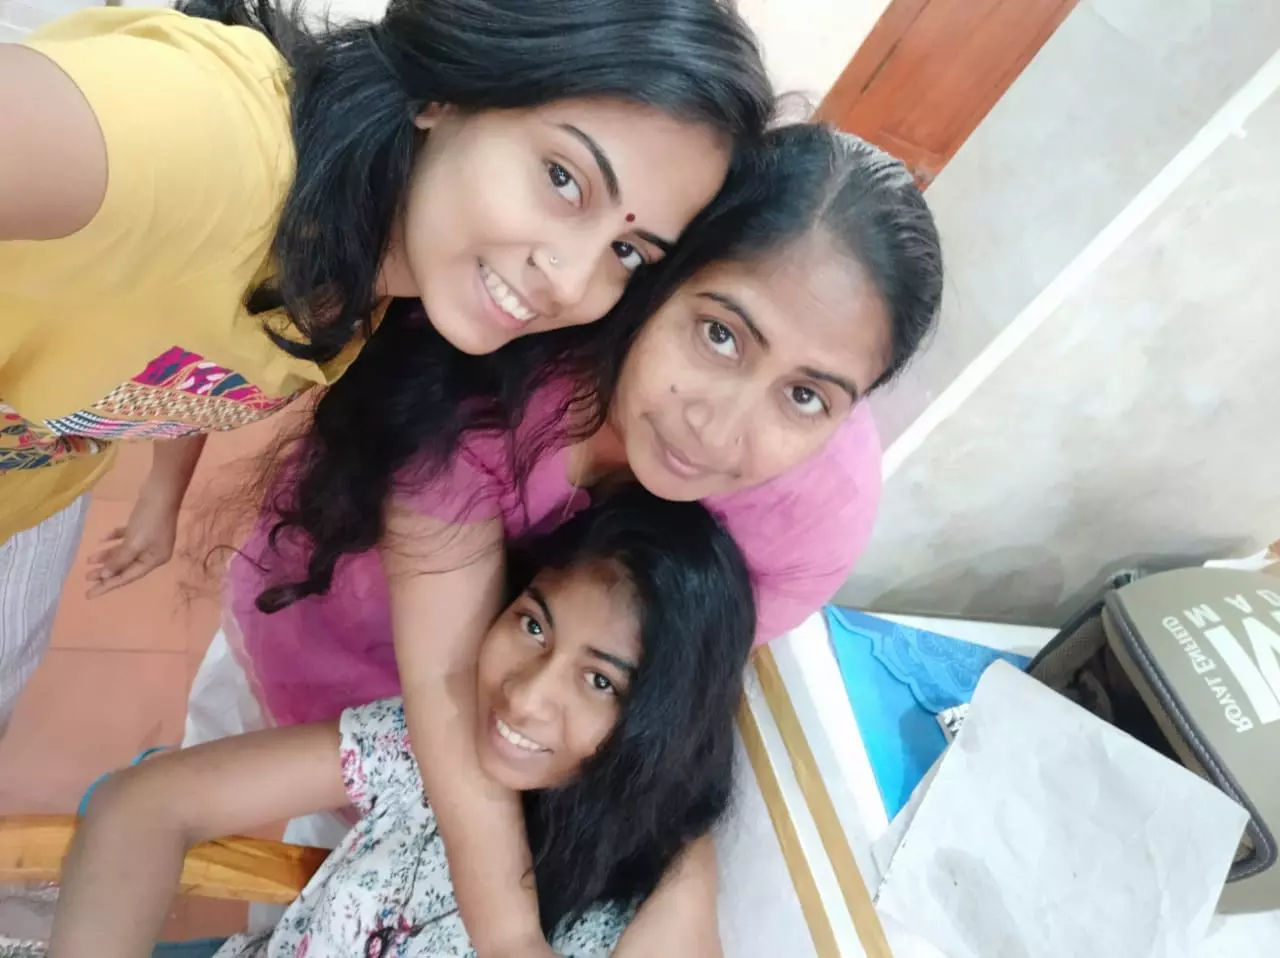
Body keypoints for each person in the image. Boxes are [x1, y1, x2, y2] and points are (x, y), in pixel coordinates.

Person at [191, 123, 945, 952]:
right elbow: (443, 683)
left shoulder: (809, 520)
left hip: (499, 741)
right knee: (230, 794)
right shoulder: (504, 361)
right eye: (721, 335)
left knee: (333, 887)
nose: (720, 428)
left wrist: (678, 876)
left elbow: (669, 688)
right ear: (660, 276)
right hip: (326, 618)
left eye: (807, 396)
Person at [0, 0, 773, 735]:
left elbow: (190, 327)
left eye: (628, 252)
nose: (571, 283)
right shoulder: (214, 138)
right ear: (447, 91)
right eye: (564, 178)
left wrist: (161, 494)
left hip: (36, 489)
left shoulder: (376, 277)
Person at [51, 486, 755, 958]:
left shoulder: (642, 914)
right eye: (534, 625)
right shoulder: (432, 748)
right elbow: (144, 802)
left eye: (600, 681)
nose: (525, 697)